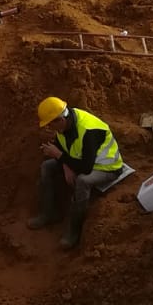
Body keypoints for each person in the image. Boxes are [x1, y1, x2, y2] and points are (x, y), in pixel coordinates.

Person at [30, 96, 124, 251]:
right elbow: (60, 146)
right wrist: (65, 165)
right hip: (81, 160)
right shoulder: (64, 125)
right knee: (47, 166)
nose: (49, 128)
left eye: (50, 124)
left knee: (83, 181)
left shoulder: (88, 130)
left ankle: (74, 231)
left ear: (59, 119)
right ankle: (48, 213)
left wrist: (60, 157)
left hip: (107, 167)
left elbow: (86, 168)